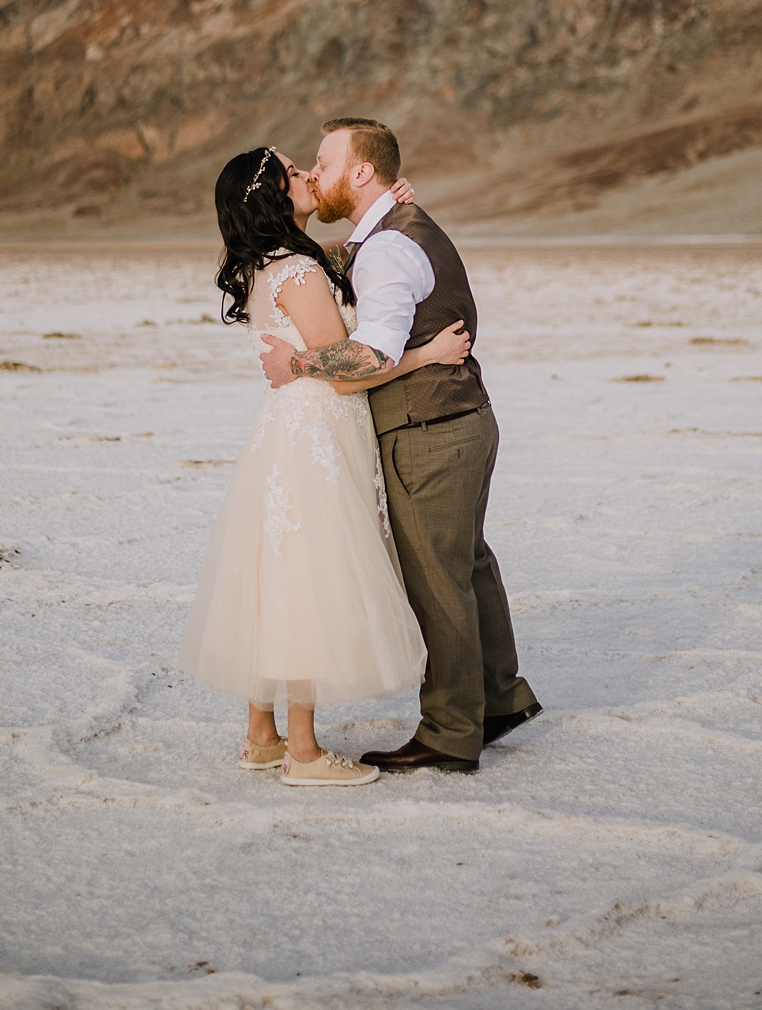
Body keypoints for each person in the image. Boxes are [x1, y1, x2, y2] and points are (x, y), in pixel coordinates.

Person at [178, 146, 472, 786]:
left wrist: (386, 208)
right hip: (316, 429)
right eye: (293, 171)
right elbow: (345, 372)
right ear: (276, 197)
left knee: (279, 571)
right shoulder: (300, 272)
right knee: (307, 577)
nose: (309, 176)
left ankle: (262, 734)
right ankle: (304, 753)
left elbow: (336, 266)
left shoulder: (280, 264)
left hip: (287, 429)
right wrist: (427, 355)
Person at [260, 118, 542, 773]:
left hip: (429, 430)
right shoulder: (390, 234)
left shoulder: (387, 248)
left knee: (439, 581)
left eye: (324, 163)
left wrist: (298, 365)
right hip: (462, 419)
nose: (315, 174)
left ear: (362, 172)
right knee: (468, 566)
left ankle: (449, 730)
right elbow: (338, 270)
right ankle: (498, 699)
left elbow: (369, 353)